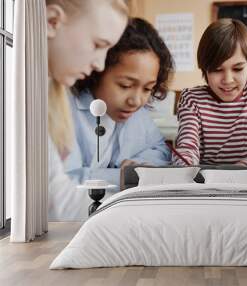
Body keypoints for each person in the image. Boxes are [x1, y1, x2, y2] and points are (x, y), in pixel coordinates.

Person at [46, 0, 130, 220]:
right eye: (97, 45)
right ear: (52, 21)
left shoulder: (51, 94)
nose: (100, 65)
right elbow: (57, 202)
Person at [66, 18, 174, 186]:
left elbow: (160, 149)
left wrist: (138, 165)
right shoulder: (65, 110)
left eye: (147, 89)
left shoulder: (138, 112)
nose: (136, 100)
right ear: (97, 72)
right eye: (125, 85)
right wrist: (122, 177)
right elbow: (61, 180)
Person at [172, 18, 247, 166]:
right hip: (206, 184)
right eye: (217, 70)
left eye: (237, 69)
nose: (228, 80)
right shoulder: (191, 99)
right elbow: (186, 146)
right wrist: (186, 166)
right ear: (205, 69)